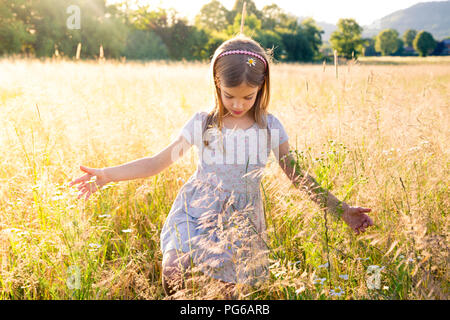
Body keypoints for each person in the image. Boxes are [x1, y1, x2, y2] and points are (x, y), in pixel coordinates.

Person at [68, 34, 374, 298]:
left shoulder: (270, 128)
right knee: (173, 267)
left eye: (248, 97)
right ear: (217, 84)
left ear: (262, 87)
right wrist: (107, 175)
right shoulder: (203, 123)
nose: (238, 104)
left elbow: (297, 176)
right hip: (196, 209)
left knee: (227, 293)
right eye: (229, 96)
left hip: (240, 220)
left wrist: (341, 210)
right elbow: (158, 161)